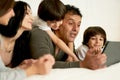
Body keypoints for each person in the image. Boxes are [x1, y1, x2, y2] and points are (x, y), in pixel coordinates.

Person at [29, 4, 107, 69]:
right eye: (70, 23)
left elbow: (72, 60)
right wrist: (82, 64)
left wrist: (92, 58)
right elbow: (44, 64)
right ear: (59, 21)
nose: (75, 29)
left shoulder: (68, 42)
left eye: (78, 25)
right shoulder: (40, 33)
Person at [0, 1, 55, 80]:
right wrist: (33, 69)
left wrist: (21, 67)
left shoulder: (21, 42)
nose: (32, 18)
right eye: (27, 13)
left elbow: (4, 72)